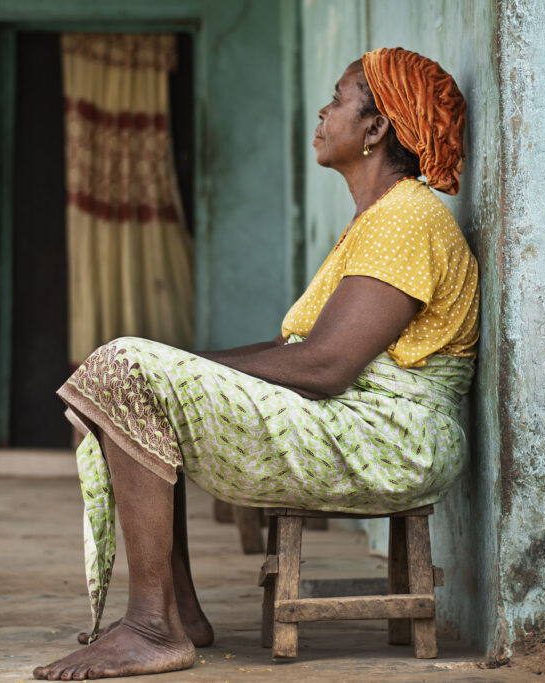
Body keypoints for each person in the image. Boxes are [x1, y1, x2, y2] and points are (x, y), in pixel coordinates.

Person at [33, 46, 479, 680]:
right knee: (128, 379)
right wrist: (176, 367)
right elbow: (294, 353)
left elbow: (325, 367)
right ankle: (175, 613)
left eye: (338, 100)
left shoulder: (407, 218)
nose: (322, 113)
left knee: (128, 371)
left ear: (376, 129)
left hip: (390, 439)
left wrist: (164, 373)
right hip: (360, 426)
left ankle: (151, 628)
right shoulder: (379, 219)